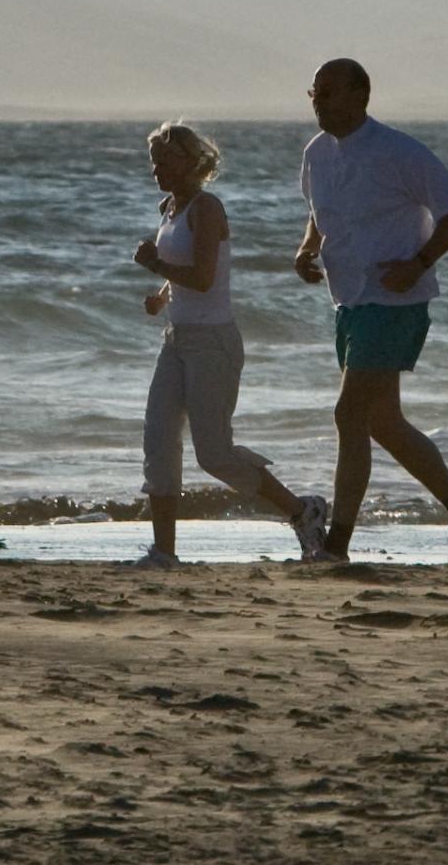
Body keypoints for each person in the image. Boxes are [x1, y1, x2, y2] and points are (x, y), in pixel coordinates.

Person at [295, 58, 448, 563]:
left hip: (395, 301)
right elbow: (319, 212)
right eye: (313, 93)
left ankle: (337, 544)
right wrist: (306, 250)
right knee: (382, 423)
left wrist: (420, 262)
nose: (318, 101)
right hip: (350, 301)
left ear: (361, 95)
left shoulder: (398, 151)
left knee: (349, 414)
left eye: (328, 92)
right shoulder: (317, 153)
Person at [132, 120, 330, 569]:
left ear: (191, 161)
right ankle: (163, 553)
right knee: (159, 442)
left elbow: (203, 278)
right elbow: (183, 271)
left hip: (213, 344)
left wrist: (155, 264)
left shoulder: (207, 208)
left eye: (165, 161)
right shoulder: (170, 207)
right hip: (176, 341)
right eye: (153, 163)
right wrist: (161, 296)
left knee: (214, 455)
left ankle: (303, 511)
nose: (157, 170)